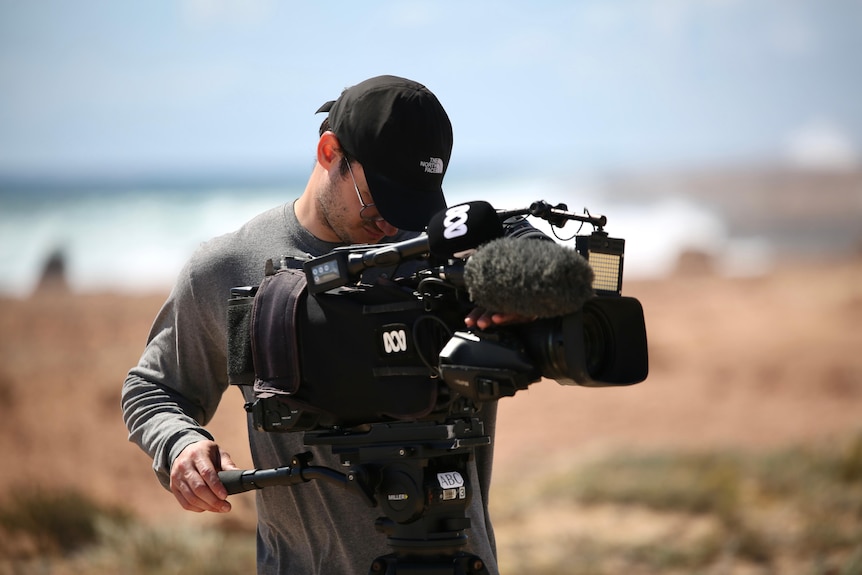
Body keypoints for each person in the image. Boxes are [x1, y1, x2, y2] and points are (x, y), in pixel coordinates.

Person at [122, 75, 503, 574]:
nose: (392, 223)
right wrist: (181, 445)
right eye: (380, 198)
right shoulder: (227, 269)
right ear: (329, 152)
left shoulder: (450, 262)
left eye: (411, 202)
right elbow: (152, 388)